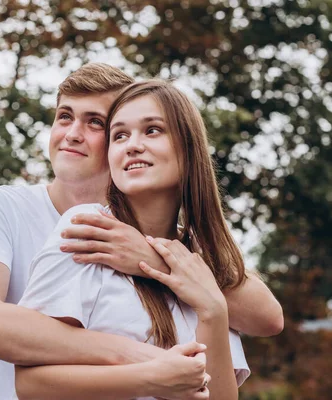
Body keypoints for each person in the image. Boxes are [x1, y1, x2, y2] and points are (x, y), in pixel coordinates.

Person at [0, 64, 283, 400]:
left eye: (96, 122)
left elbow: (267, 318)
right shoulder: (48, 218)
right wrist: (146, 365)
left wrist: (156, 262)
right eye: (64, 116)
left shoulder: (190, 256)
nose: (73, 134)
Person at [14, 80, 250, 400]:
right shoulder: (88, 228)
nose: (132, 145)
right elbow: (30, 383)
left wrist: (213, 310)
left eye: (152, 130)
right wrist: (149, 378)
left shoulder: (200, 264)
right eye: (120, 135)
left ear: (188, 147)